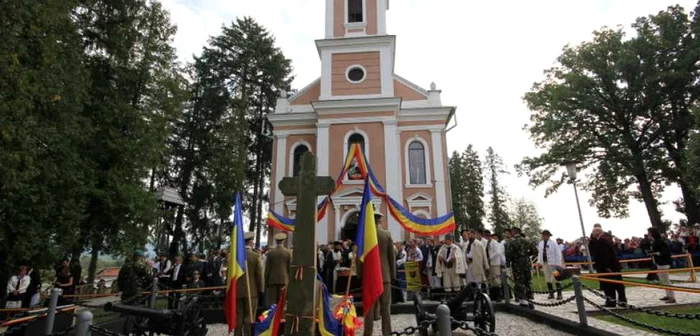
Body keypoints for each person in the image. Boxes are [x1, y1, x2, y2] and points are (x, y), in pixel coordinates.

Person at [361, 212, 395, 336]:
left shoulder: (364, 235)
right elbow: (391, 256)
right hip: (384, 275)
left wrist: (360, 274)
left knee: (369, 307)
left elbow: (361, 258)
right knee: (386, 307)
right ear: (380, 220)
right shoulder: (386, 234)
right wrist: (392, 274)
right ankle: (387, 332)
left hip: (369, 275)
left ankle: (367, 333)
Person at [589, 224, 627, 307]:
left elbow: (605, 255)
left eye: (593, 232)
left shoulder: (603, 240)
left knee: (609, 285)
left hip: (607, 266)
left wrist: (607, 266)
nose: (592, 234)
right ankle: (621, 301)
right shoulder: (604, 239)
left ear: (597, 232)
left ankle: (611, 301)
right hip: (611, 265)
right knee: (617, 284)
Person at [235, 232, 264, 336]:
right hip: (251, 291)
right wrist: (261, 289)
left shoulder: (235, 256)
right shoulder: (255, 256)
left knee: (239, 316)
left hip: (238, 291)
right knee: (249, 316)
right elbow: (259, 275)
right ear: (251, 242)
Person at [505, 227, 537, 308]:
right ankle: (530, 299)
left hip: (517, 264)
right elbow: (535, 251)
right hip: (526, 263)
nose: (511, 233)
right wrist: (526, 255)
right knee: (528, 280)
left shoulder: (512, 242)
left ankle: (523, 301)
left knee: (519, 281)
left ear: (514, 232)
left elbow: (508, 254)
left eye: (511, 231)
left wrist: (508, 263)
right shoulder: (527, 240)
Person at [648, 227, 675, 303]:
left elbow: (664, 252)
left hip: (664, 262)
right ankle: (668, 295)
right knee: (663, 279)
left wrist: (654, 253)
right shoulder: (656, 241)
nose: (648, 234)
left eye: (649, 232)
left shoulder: (659, 242)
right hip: (660, 262)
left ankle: (671, 297)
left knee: (666, 280)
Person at [265, 232, 291, 306]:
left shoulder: (270, 253)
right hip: (284, 280)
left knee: (272, 303)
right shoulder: (288, 253)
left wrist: (266, 282)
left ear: (276, 241)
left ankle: (272, 317)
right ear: (283, 241)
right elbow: (289, 268)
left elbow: (267, 269)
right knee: (282, 303)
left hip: (272, 280)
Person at [537, 230, 563, 300]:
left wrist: (558, 263)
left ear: (549, 236)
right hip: (545, 263)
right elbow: (539, 253)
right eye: (543, 235)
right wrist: (539, 261)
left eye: (546, 235)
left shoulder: (553, 243)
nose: (544, 236)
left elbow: (558, 253)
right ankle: (551, 293)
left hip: (553, 264)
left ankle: (559, 294)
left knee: (556, 278)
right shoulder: (540, 243)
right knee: (548, 278)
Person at [484, 230, 503, 301]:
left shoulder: (494, 243)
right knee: (491, 279)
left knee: (496, 279)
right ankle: (492, 295)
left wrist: (490, 258)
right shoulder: (487, 243)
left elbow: (498, 252)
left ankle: (498, 296)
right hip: (489, 264)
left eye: (488, 235)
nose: (487, 237)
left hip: (495, 263)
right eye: (485, 236)